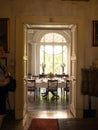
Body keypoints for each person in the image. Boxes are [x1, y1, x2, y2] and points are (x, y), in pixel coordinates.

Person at [0, 46, 10, 128]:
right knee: (1, 113)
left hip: (3, 90)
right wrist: (2, 82)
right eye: (0, 50)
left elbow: (7, 74)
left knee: (2, 113)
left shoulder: (1, 64)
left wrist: (7, 78)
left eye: (2, 50)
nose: (2, 52)